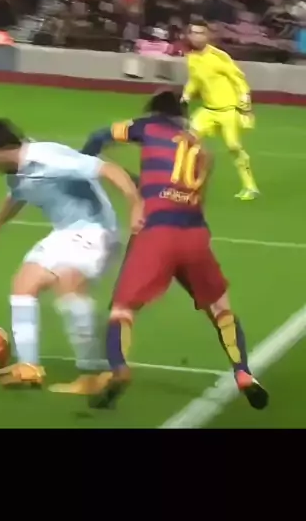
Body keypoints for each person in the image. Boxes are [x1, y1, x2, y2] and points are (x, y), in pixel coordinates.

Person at [81, 90, 269, 411]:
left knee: (122, 309)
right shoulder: (202, 149)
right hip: (194, 235)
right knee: (220, 308)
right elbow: (187, 196)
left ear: (154, 111)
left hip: (157, 234)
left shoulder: (147, 127)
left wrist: (83, 163)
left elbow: (100, 136)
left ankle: (119, 369)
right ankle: (243, 373)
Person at [0, 119, 143, 391]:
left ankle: (93, 374)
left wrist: (135, 203)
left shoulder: (48, 159)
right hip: (65, 233)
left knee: (68, 283)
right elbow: (16, 195)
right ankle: (28, 367)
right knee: (24, 284)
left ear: (1, 151)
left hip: (95, 232)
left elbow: (107, 169)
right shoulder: (17, 170)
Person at [181, 19, 259, 200]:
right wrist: (186, 94)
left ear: (208, 36)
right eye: (194, 33)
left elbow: (238, 78)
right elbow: (195, 80)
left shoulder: (219, 57)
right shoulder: (191, 57)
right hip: (208, 110)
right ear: (189, 35)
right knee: (187, 140)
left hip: (228, 110)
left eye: (201, 33)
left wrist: (244, 98)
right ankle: (187, 182)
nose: (197, 37)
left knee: (233, 146)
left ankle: (250, 186)